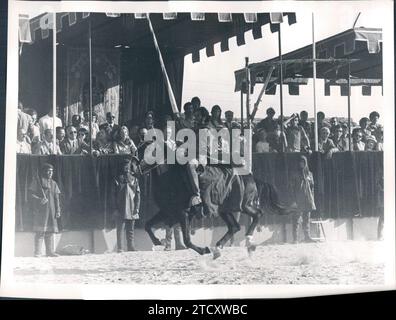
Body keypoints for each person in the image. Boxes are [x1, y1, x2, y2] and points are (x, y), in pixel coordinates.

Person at [28, 163, 61, 257]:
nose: (50, 173)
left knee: (50, 232)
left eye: (52, 171)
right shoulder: (37, 181)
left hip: (52, 211)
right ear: (44, 171)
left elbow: (56, 198)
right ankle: (37, 252)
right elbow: (30, 195)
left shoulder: (54, 183)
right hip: (41, 211)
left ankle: (49, 252)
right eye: (48, 171)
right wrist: (39, 200)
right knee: (40, 231)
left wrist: (58, 210)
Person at [113, 157, 140, 252]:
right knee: (120, 229)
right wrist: (115, 208)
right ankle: (120, 247)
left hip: (132, 208)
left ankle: (131, 246)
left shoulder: (134, 179)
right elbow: (113, 195)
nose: (126, 168)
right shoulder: (117, 179)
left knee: (130, 230)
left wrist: (137, 208)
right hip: (120, 208)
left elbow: (137, 195)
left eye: (127, 165)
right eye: (124, 165)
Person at [289, 156, 317, 243]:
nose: (301, 164)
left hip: (307, 200)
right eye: (300, 162)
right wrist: (293, 200)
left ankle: (307, 237)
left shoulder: (310, 174)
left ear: (306, 163)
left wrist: (312, 200)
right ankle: (295, 239)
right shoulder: (294, 174)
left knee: (307, 219)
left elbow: (312, 188)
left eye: (303, 162)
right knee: (296, 220)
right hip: (298, 200)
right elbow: (291, 189)